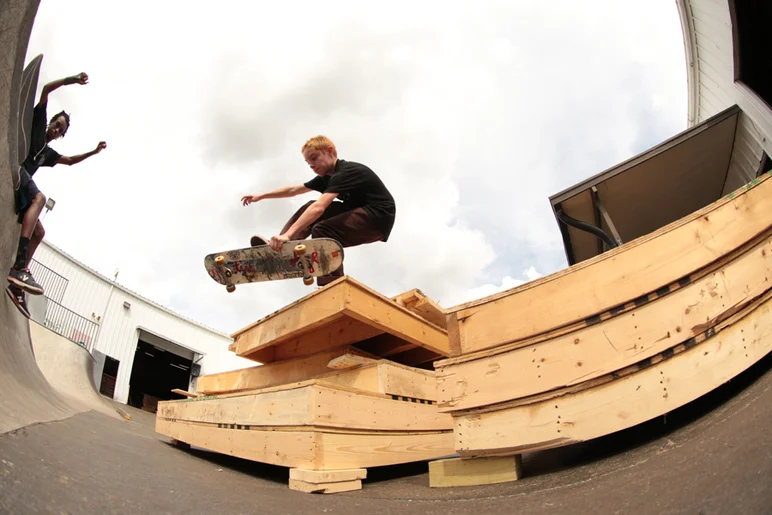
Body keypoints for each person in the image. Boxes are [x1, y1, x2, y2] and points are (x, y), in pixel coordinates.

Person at [6, 71, 107, 318]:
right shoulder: (39, 125)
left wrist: (93, 152)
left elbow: (70, 160)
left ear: (61, 135)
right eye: (55, 124)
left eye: (59, 129)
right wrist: (72, 80)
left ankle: (17, 280)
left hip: (24, 189)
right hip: (17, 171)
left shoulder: (49, 155)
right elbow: (45, 90)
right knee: (40, 199)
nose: (54, 129)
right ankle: (18, 267)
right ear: (50, 122)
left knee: (40, 232)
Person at [241, 135, 395, 286]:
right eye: (308, 163)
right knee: (309, 205)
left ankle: (332, 283)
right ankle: (280, 249)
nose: (312, 166)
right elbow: (293, 190)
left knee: (323, 229)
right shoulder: (326, 178)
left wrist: (289, 234)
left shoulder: (346, 172)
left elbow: (319, 208)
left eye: (314, 158)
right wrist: (261, 196)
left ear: (330, 151)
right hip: (359, 211)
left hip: (378, 217)